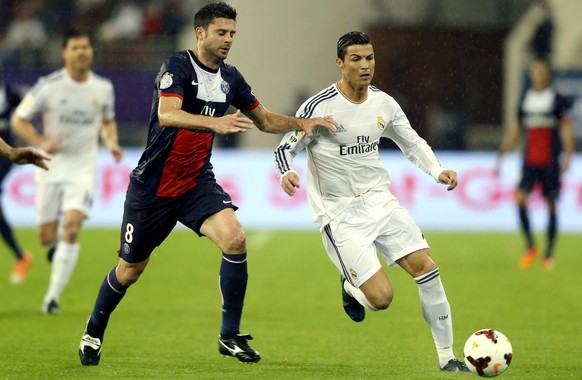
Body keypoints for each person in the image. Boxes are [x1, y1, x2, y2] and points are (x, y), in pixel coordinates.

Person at [77, 2, 337, 367]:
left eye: (232, 33)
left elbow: (262, 120)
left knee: (235, 238)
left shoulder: (232, 78)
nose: (228, 39)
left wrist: (301, 124)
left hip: (196, 183)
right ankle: (94, 328)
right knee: (130, 270)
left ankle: (229, 336)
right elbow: (167, 115)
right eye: (221, 32)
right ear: (201, 33)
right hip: (153, 187)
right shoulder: (177, 66)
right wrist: (214, 123)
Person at [273, 31, 470, 373]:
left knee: (427, 268)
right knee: (381, 299)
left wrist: (437, 170)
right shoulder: (319, 107)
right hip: (340, 215)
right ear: (340, 63)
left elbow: (411, 142)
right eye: (356, 59)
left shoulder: (384, 103)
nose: (365, 66)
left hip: (380, 201)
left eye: (370, 58)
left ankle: (447, 357)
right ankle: (351, 286)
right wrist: (286, 172)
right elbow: (284, 147)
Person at [11, 29, 123, 314]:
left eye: (85, 47)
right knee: (46, 237)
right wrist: (41, 141)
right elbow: (18, 121)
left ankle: (52, 298)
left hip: (83, 168)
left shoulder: (102, 87)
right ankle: (56, 250)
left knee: (71, 227)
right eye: (75, 48)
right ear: (65, 53)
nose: (82, 52)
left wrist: (111, 142)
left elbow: (108, 121)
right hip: (48, 165)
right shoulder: (49, 86)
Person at [496, 58, 573, 270]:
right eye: (534, 72)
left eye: (540, 71)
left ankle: (548, 253)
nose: (537, 75)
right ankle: (530, 245)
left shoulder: (557, 100)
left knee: (551, 204)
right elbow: (516, 129)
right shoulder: (525, 99)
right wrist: (503, 152)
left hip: (549, 161)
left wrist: (568, 154)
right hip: (529, 161)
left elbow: (566, 128)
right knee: (520, 199)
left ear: (547, 74)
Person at [1, 69, 33, 283]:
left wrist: (23, 140)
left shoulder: (11, 93)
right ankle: (21, 257)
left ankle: (21, 257)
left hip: (5, 154)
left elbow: (31, 105)